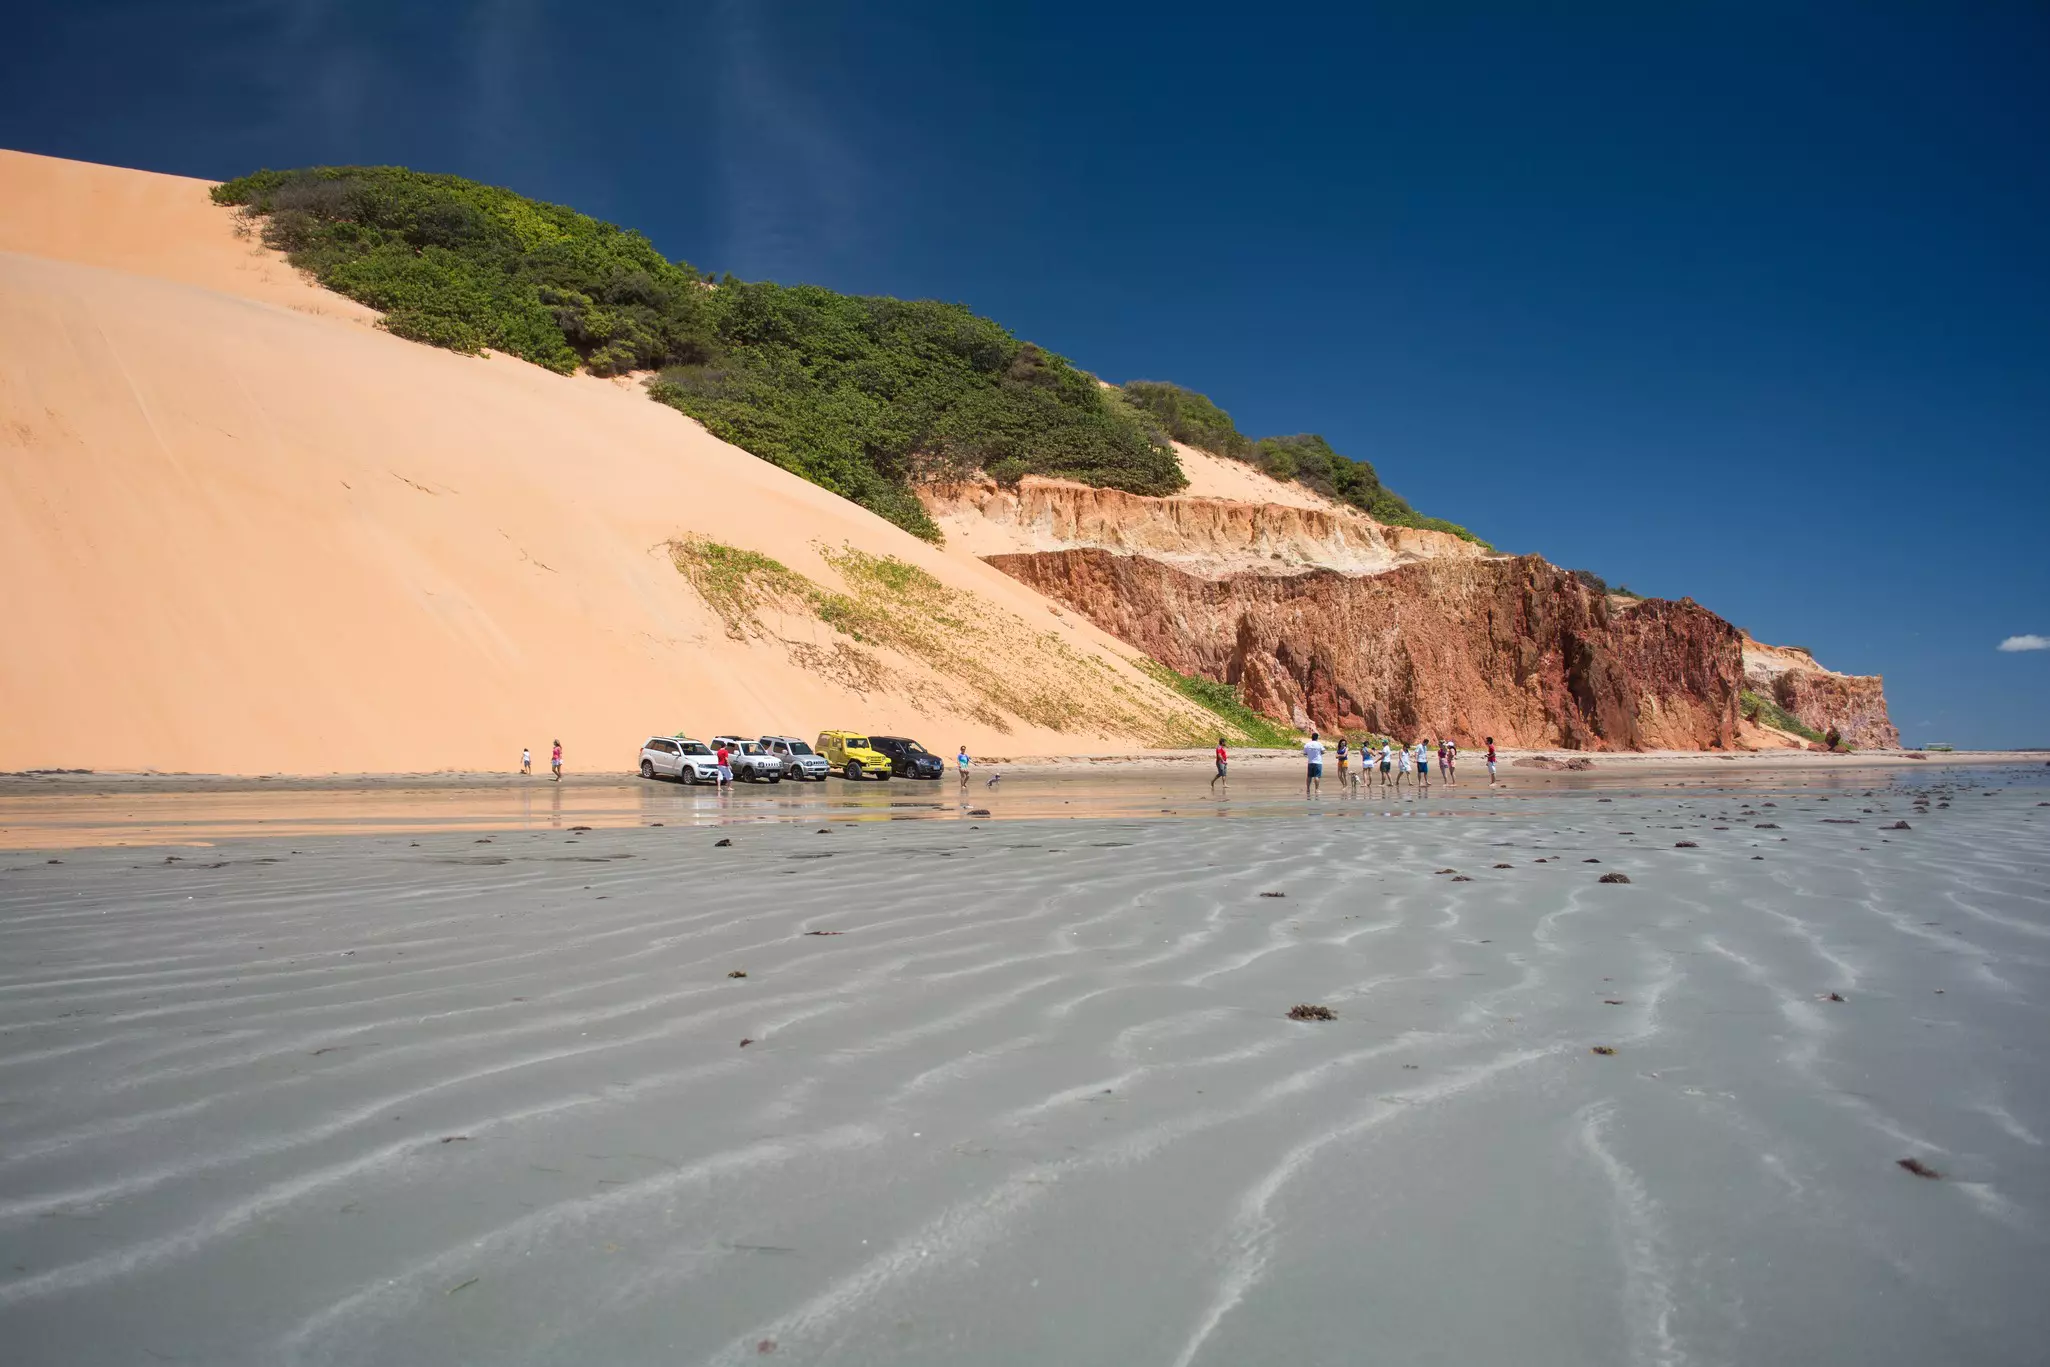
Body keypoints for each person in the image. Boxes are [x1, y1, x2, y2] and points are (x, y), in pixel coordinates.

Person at [1303, 730, 1325, 797]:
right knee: (1317, 776)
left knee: (1309, 776)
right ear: (1317, 738)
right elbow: (1323, 751)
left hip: (1310, 762)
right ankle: (1317, 789)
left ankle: (1308, 789)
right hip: (1318, 762)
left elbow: (1305, 753)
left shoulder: (1307, 744)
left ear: (1311, 737)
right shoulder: (1319, 744)